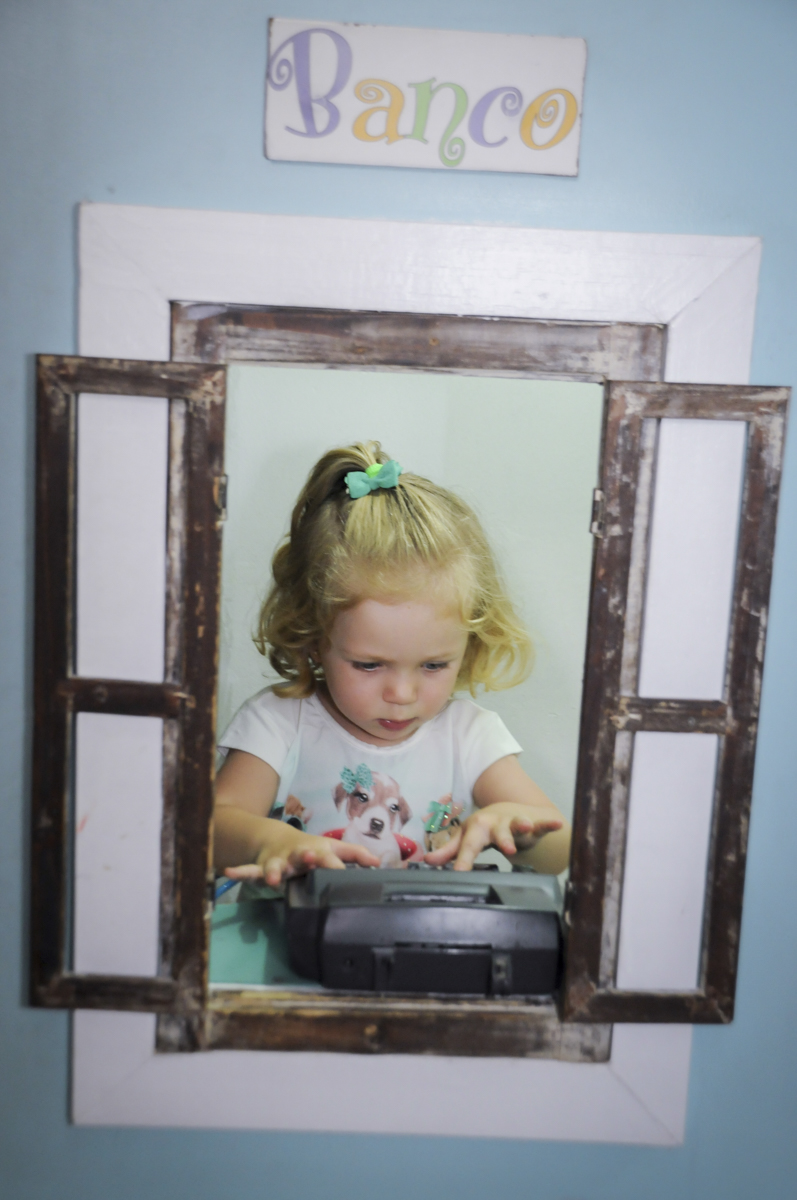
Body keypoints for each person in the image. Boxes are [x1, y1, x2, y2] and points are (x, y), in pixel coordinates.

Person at [213, 442, 571, 889]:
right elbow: (211, 829)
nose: (402, 694)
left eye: (435, 665)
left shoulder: (468, 736)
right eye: (368, 665)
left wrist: (517, 826)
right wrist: (270, 841)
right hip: (288, 950)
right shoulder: (279, 723)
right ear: (312, 637)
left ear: (470, 645)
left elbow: (560, 849)